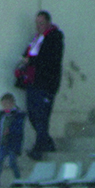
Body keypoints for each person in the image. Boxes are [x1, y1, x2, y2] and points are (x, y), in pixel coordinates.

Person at [16, 10, 64, 160]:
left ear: (48, 22)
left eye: (41, 23)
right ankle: (47, 142)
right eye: (37, 23)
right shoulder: (37, 38)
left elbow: (49, 59)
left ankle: (39, 148)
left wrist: (31, 62)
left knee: (42, 116)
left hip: (46, 83)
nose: (38, 26)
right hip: (33, 82)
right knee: (32, 114)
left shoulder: (55, 37)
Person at [0, 92, 25, 188]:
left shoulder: (18, 115)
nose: (4, 107)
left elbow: (19, 129)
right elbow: (0, 127)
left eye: (6, 104)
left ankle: (18, 180)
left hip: (12, 143)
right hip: (3, 142)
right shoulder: (2, 115)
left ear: (11, 104)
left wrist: (10, 130)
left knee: (12, 162)